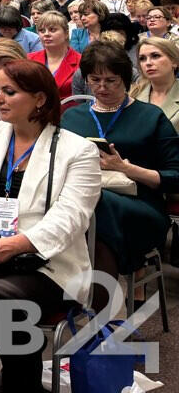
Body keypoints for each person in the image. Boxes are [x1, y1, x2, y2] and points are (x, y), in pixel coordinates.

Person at [0, 59, 101, 392]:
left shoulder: (77, 150)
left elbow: (70, 218)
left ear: (39, 99)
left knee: (2, 301)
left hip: (47, 265)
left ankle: (20, 385)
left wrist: (13, 245)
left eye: (10, 92)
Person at [62, 41, 179, 277]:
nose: (101, 87)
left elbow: (175, 177)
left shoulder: (150, 116)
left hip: (140, 205)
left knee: (95, 203)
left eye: (111, 80)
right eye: (94, 80)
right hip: (80, 201)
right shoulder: (72, 117)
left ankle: (99, 287)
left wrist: (126, 168)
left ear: (125, 78)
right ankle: (102, 286)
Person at [27, 11, 82, 98]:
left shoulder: (81, 62)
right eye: (42, 30)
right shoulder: (29, 59)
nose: (46, 34)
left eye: (52, 30)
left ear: (66, 33)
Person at [131, 36, 179, 130]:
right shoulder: (133, 94)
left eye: (155, 56)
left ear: (174, 61)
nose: (148, 63)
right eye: (142, 58)